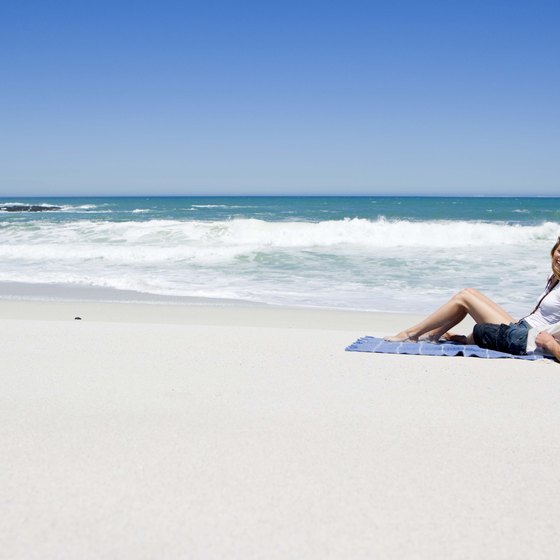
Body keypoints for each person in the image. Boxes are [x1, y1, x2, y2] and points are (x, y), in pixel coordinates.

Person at [385, 237, 560, 359]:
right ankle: (434, 334)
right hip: (522, 326)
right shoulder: (554, 277)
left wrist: (552, 345)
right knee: (470, 293)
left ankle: (412, 334)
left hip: (528, 336)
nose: (559, 257)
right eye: (559, 251)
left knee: (465, 297)